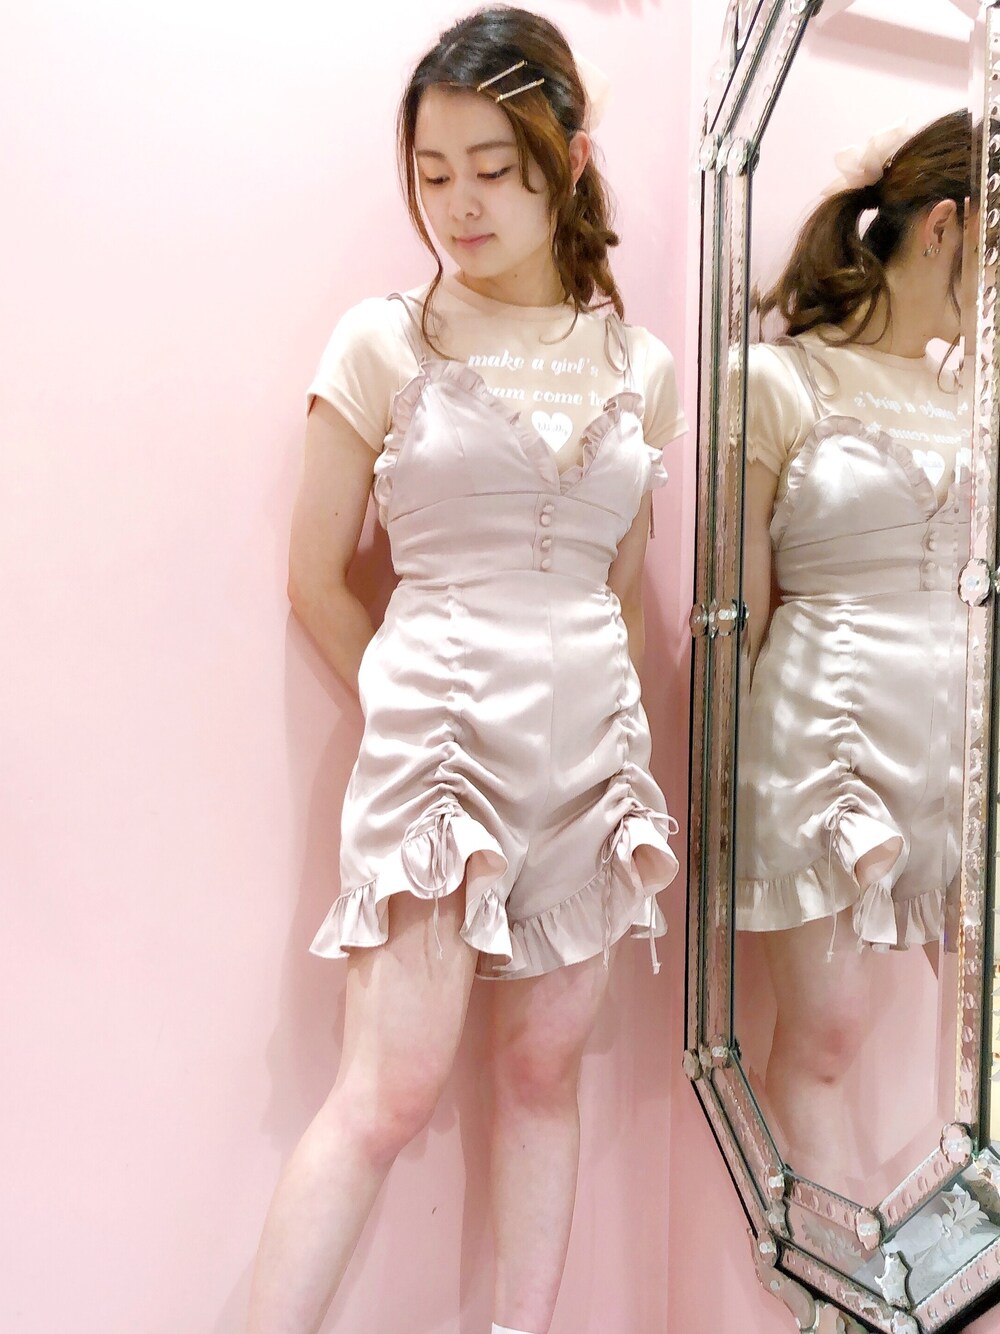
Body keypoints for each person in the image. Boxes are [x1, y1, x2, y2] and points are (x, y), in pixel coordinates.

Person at [246, 9, 687, 1332]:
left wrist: (609, 730)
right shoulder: (384, 341)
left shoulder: (641, 365)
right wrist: (411, 701)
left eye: (493, 168)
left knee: (545, 1072)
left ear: (568, 159)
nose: (459, 204)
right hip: (437, 748)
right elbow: (316, 576)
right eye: (433, 173)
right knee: (385, 1092)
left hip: (589, 756)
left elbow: (620, 581)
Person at [736, 111, 973, 1186]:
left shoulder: (974, 400)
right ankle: (835, 1273)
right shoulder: (779, 381)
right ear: (944, 228)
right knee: (825, 1037)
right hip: (821, 735)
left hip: (957, 737)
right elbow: (736, 610)